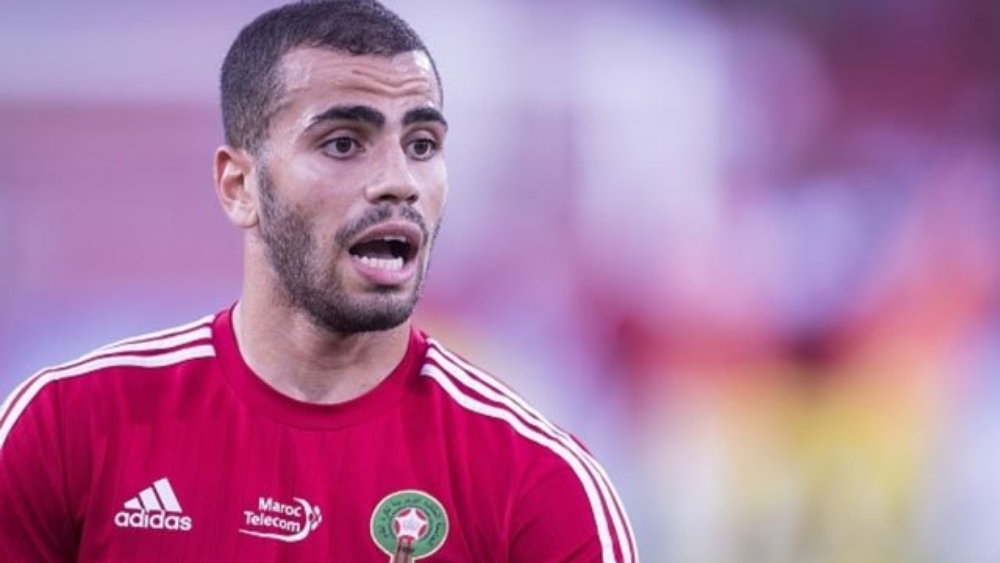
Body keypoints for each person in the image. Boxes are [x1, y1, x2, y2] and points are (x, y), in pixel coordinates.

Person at [0, 0, 638, 561]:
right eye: (343, 143)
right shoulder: (68, 427)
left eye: (421, 145)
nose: (399, 181)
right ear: (239, 186)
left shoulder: (537, 483)